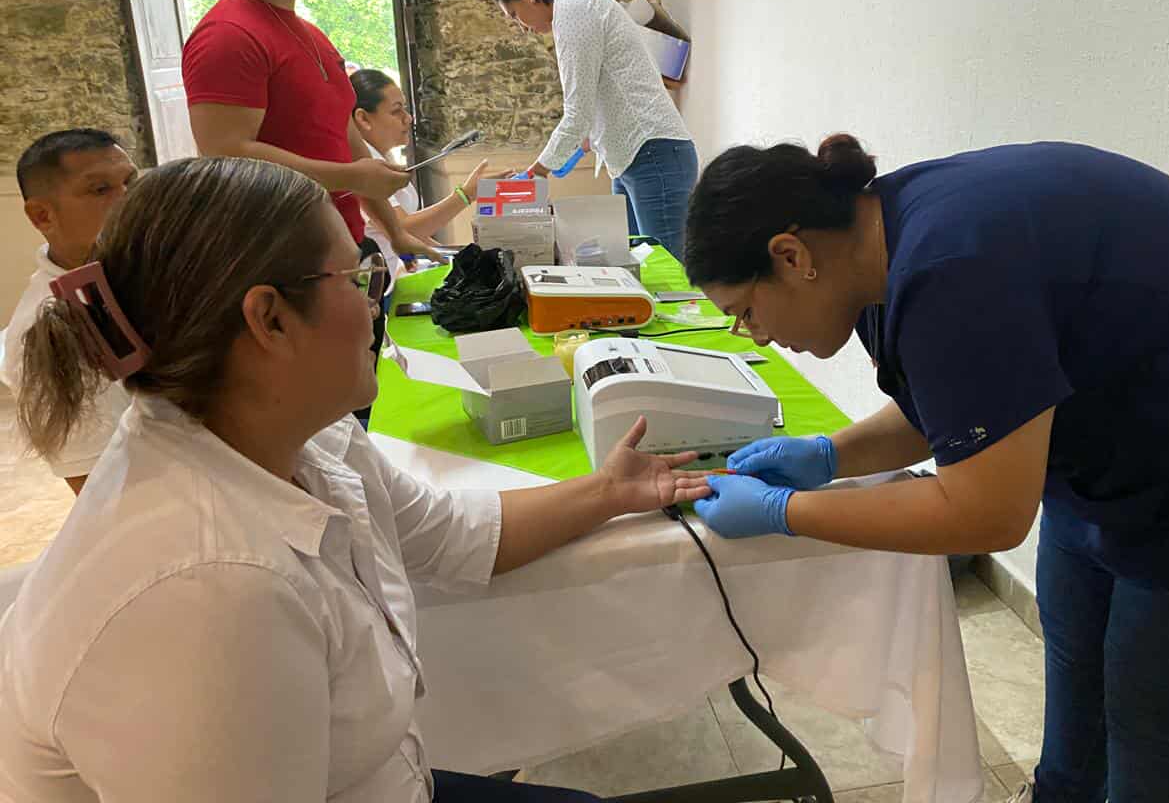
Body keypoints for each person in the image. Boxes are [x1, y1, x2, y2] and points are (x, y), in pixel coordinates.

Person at [0, 156, 710, 802]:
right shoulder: (212, 588)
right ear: (270, 319)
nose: (375, 303)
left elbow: (450, 534)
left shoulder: (303, 438)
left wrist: (610, 491)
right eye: (356, 278)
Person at [679, 136, 1169, 803]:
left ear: (791, 256)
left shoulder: (952, 267)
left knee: (1155, 720)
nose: (756, 335)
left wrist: (785, 513)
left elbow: (986, 515)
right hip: (1121, 457)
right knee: (1078, 676)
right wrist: (830, 455)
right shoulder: (876, 253)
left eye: (745, 313)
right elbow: (961, 404)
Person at [181, 0, 430, 260]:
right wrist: (351, 178)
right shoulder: (228, 34)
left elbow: (346, 135)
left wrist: (395, 232)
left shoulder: (313, 36)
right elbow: (227, 154)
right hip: (279, 254)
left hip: (341, 245)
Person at [493, 0, 698, 261]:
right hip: (635, 157)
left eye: (514, 15)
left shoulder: (574, 8)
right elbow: (602, 90)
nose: (521, 27)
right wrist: (590, 137)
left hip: (652, 154)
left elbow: (577, 112)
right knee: (633, 265)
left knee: (667, 273)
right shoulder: (579, 4)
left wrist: (537, 171)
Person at [1, 129, 137, 494]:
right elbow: (100, 489)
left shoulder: (140, 268)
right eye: (100, 190)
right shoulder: (43, 332)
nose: (128, 199)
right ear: (43, 215)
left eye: (130, 182)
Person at [350, 68, 499, 272]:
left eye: (405, 109)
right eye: (396, 111)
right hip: (380, 279)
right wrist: (465, 195)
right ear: (363, 119)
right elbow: (402, 230)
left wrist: (457, 257)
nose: (408, 118)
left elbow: (415, 236)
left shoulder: (381, 157)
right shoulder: (366, 165)